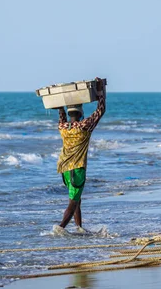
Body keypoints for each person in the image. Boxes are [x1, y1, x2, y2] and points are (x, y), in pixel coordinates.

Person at [54, 77, 106, 234]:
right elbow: (101, 110)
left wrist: (60, 101)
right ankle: (60, 228)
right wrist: (101, 90)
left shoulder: (62, 127)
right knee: (73, 200)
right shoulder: (84, 127)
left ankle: (79, 228)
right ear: (81, 112)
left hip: (64, 168)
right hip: (77, 169)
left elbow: (61, 112)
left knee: (77, 199)